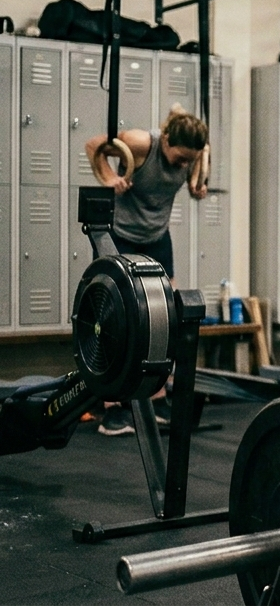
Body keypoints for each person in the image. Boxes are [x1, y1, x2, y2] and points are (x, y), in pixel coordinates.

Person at [85, 109, 209, 436]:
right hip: (120, 234)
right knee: (116, 319)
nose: (184, 165)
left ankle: (157, 399)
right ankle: (114, 409)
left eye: (189, 160)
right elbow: (94, 145)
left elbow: (195, 176)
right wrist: (109, 178)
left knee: (167, 316)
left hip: (156, 237)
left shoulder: (195, 154)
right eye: (180, 158)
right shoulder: (141, 143)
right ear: (165, 140)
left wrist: (197, 187)